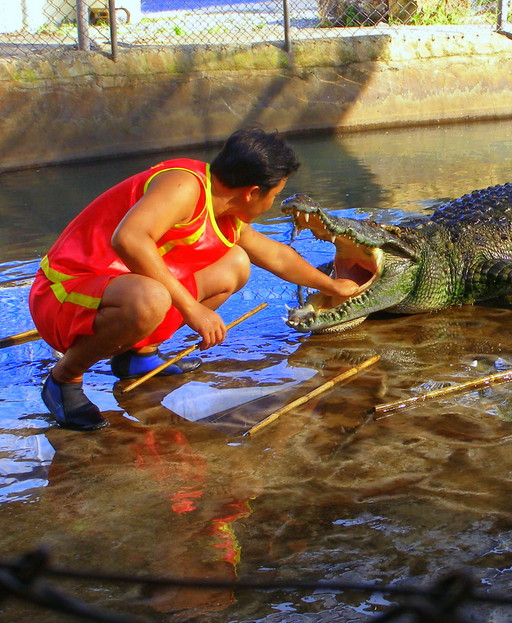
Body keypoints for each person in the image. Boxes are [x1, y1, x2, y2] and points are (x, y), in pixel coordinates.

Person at [29, 128, 359, 432]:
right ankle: (64, 379)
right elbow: (128, 239)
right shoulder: (184, 185)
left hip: (121, 291)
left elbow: (276, 255)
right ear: (252, 192)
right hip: (63, 294)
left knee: (236, 264)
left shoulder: (226, 212)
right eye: (275, 195)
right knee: (151, 297)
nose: (272, 204)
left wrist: (332, 286)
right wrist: (191, 309)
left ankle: (138, 355)